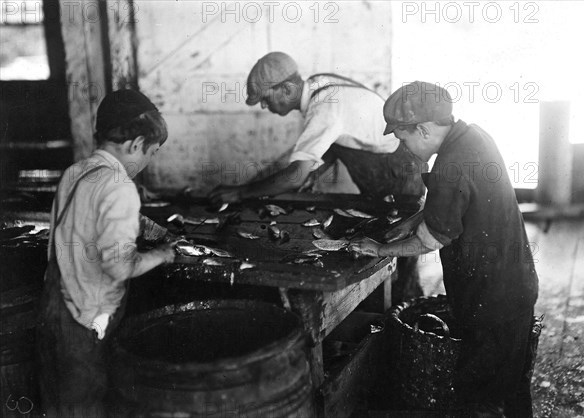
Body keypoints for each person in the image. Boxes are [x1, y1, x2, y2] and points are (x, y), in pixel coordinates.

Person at [349, 81, 539, 417]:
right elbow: (458, 200)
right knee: (512, 388)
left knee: (478, 397)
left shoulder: (450, 164)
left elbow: (431, 240)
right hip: (513, 287)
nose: (402, 146)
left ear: (422, 129)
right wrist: (410, 222)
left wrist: (379, 249)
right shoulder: (472, 137)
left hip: (492, 300)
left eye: (402, 137)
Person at [36, 89, 177, 417]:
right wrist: (162, 254)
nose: (148, 162)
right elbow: (118, 266)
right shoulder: (120, 186)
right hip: (86, 323)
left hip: (54, 310)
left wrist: (154, 230)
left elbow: (98, 214)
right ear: (135, 145)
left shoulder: (76, 173)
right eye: (151, 153)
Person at [208, 51, 425, 204]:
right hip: (396, 165)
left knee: (398, 250)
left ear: (285, 89)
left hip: (398, 174)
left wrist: (241, 192)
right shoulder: (318, 83)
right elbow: (334, 140)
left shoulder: (323, 108)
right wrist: (314, 172)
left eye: (265, 98)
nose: (264, 106)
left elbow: (295, 176)